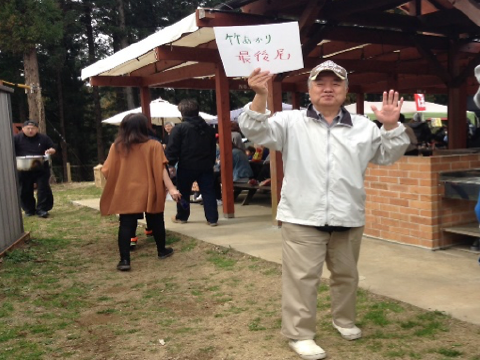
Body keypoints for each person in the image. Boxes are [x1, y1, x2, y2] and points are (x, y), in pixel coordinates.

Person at [239, 60, 410, 360]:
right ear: (310, 89)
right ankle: (300, 334)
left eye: (336, 83)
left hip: (348, 215)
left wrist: (391, 125)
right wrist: (260, 95)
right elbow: (254, 130)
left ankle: (343, 320)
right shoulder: (290, 123)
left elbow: (387, 155)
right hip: (302, 216)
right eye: (320, 83)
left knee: (346, 275)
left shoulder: (363, 127)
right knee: (302, 278)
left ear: (345, 90)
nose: (328, 88)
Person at [100, 113, 181, 271]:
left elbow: (106, 170)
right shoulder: (154, 145)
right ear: (144, 127)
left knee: (126, 224)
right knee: (156, 219)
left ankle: (124, 260)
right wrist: (171, 188)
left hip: (127, 190)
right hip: (150, 188)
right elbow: (161, 169)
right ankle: (161, 250)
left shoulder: (117, 146)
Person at [166, 98, 219, 226]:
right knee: (208, 191)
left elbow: (172, 148)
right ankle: (212, 219)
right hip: (205, 165)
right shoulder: (209, 129)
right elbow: (213, 149)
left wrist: (170, 163)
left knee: (183, 192)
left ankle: (182, 216)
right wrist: (211, 162)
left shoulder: (180, 129)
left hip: (186, 165)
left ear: (182, 113)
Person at [14, 120, 56, 218]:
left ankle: (42, 209)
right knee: (25, 189)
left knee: (43, 188)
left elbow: (53, 147)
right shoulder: (16, 139)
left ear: (37, 129)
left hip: (41, 167)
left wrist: (51, 151)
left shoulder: (43, 138)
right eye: (28, 128)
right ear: (23, 129)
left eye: (33, 128)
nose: (30, 130)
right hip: (23, 167)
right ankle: (29, 209)